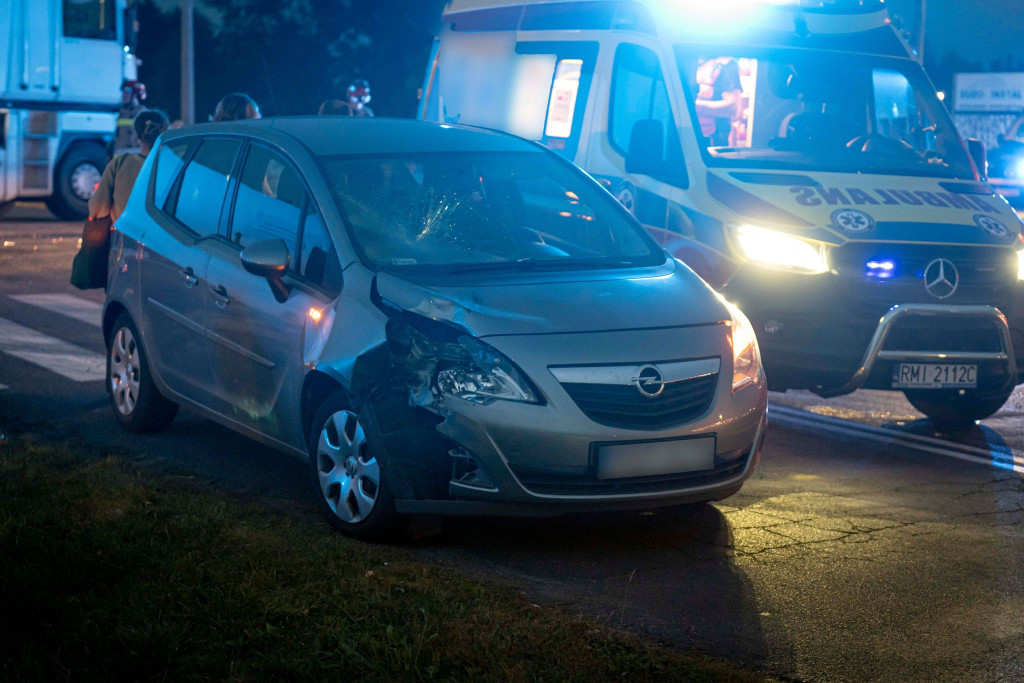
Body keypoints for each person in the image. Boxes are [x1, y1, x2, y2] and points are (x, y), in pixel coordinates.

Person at [71, 110, 169, 289]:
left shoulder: (120, 163)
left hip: (124, 248)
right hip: (164, 252)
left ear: (137, 135)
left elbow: (97, 208)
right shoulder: (174, 166)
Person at [694, 57, 743, 147]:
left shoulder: (724, 65)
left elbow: (733, 108)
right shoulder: (682, 59)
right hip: (684, 139)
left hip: (712, 145)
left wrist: (694, 106)